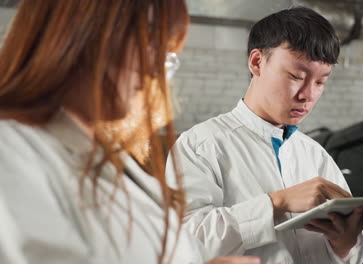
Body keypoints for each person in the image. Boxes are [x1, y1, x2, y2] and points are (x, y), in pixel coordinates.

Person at [0, 1, 260, 263]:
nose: (156, 72)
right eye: (147, 42)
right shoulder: (10, 150)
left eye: (166, 54)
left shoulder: (117, 162)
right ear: (75, 33)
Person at [166, 6, 363, 264]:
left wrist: (345, 247)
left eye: (321, 82)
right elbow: (183, 244)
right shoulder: (200, 146)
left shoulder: (316, 156)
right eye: (296, 76)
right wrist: (276, 202)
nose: (308, 95)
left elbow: (349, 257)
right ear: (257, 62)